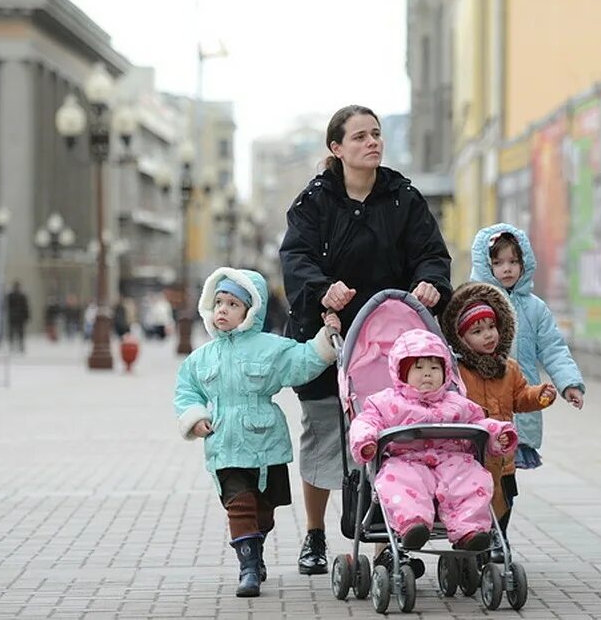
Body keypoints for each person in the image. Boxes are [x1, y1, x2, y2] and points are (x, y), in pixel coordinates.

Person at [279, 104, 453, 575]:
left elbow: (431, 253)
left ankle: (386, 546)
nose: (372, 142)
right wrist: (322, 288)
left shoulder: (402, 197)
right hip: (328, 335)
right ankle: (315, 534)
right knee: (323, 435)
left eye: (376, 134)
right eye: (359, 137)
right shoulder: (314, 201)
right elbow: (295, 257)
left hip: (390, 341)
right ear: (336, 148)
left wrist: (431, 280)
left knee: (390, 440)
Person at [173, 267, 341, 598]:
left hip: (266, 447)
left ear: (251, 311)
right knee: (239, 504)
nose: (222, 309)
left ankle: (256, 547)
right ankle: (248, 568)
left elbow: (303, 360)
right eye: (219, 302)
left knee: (263, 510)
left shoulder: (271, 348)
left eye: (233, 304)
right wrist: (195, 417)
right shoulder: (202, 357)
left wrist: (326, 337)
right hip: (225, 446)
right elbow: (186, 390)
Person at [441, 281, 577, 561]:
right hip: (471, 457)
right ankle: (473, 543)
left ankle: (498, 538)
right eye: (477, 331)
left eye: (491, 327)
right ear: (461, 338)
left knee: (504, 500)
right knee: (474, 501)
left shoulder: (509, 368)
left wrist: (539, 395)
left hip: (502, 458)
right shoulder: (457, 371)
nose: (488, 335)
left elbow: (520, 397)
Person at [348, 328, 518, 551]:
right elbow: (366, 420)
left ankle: (469, 530)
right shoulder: (386, 402)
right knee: (397, 480)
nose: (427, 373)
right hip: (406, 459)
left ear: (446, 372)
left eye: (434, 367)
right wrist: (366, 441)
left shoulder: (456, 402)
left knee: (474, 479)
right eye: (418, 367)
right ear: (401, 372)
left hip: (452, 459)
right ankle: (413, 524)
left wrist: (497, 433)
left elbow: (478, 422)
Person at [470, 224, 585, 470]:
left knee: (508, 476)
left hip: (521, 401)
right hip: (482, 402)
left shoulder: (535, 308)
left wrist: (569, 383)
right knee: (483, 467)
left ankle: (505, 508)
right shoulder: (474, 304)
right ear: (485, 265)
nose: (507, 268)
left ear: (525, 262)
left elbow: (553, 348)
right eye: (498, 263)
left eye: (513, 261)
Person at [6, 281, 30, 353]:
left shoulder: (10, 295)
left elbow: (25, 307)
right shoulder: (22, 295)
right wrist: (27, 316)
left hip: (14, 317)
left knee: (14, 332)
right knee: (20, 333)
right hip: (19, 317)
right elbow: (26, 307)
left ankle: (14, 345)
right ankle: (20, 346)